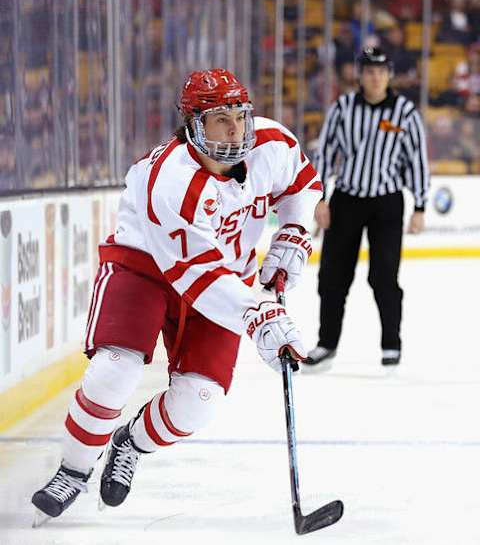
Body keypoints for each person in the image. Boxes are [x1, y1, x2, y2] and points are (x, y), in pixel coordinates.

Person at [31, 68, 322, 521]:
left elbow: (301, 186)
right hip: (144, 267)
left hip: (223, 276)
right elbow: (196, 275)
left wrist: (292, 235)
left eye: (240, 117)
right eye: (219, 120)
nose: (235, 130)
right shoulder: (169, 180)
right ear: (192, 125)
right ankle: (73, 469)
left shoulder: (273, 144)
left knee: (198, 403)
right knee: (116, 370)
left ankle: (129, 442)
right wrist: (259, 314)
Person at [304, 47, 429, 371]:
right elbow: (326, 152)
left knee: (384, 277)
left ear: (389, 75)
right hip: (346, 199)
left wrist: (420, 205)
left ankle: (391, 344)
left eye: (381, 71)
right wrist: (320, 198)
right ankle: (326, 344)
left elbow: (417, 158)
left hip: (387, 203)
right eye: (369, 71)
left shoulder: (404, 112)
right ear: (360, 75)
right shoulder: (343, 108)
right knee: (332, 276)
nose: (375, 77)